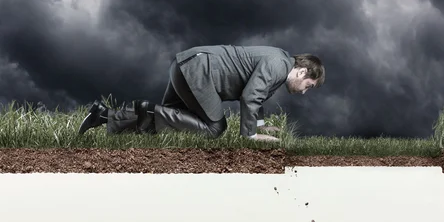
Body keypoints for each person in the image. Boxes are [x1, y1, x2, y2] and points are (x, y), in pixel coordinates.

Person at [78, 45, 325, 141]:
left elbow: (258, 96)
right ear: (302, 72)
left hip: (184, 67)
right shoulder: (278, 65)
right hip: (197, 72)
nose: (305, 92)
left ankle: (103, 116)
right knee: (214, 128)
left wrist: (259, 124)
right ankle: (148, 109)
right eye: (309, 86)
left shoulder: (279, 62)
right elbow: (251, 96)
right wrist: (249, 136)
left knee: (172, 121)